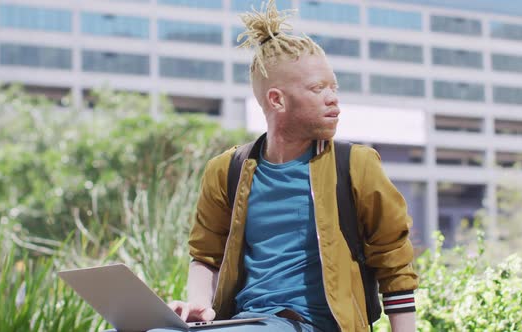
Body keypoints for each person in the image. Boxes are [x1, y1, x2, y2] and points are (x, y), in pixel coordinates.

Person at [166, 1, 419, 331]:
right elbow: (206, 256)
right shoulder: (226, 170)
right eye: (318, 89)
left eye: (334, 87)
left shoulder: (356, 165)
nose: (333, 99)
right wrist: (197, 309)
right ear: (277, 99)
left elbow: (394, 261)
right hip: (247, 323)